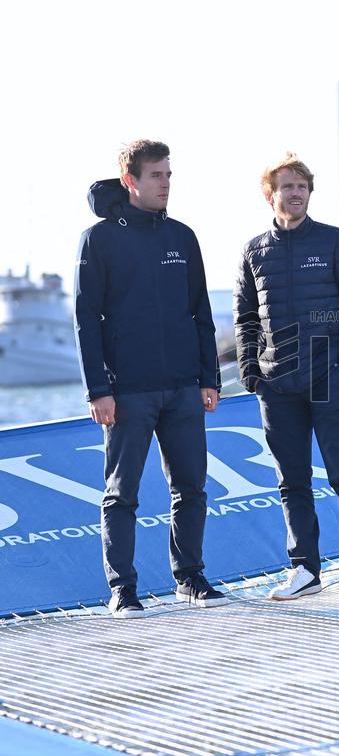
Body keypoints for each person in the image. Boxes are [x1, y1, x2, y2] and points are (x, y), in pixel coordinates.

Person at [74, 139, 225, 618]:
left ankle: (191, 578)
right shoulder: (100, 239)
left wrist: (209, 378)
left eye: (168, 174)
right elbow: (86, 318)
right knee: (122, 493)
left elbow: (201, 312)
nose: (165, 183)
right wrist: (98, 388)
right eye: (156, 175)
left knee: (192, 488)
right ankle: (123, 589)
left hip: (183, 385)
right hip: (127, 391)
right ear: (130, 181)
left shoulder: (182, 236)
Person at [233, 152, 339, 600]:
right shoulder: (254, 251)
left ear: (309, 193)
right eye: (286, 186)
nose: (295, 193)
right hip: (276, 383)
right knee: (291, 480)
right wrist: (250, 369)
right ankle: (304, 570)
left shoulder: (335, 242)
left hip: (327, 375)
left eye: (301, 186)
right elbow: (244, 318)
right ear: (270, 194)